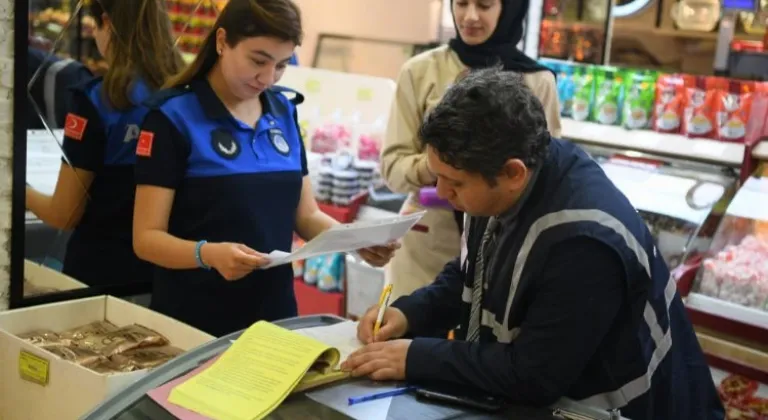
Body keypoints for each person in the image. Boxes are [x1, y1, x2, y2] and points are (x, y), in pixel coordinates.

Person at [343, 68, 724, 420]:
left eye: (454, 183)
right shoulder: (502, 177)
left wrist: (418, 357)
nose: (441, 192)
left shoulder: (585, 241)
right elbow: (472, 276)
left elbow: (536, 374)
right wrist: (410, 314)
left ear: (512, 173)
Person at [132, 0, 397, 337]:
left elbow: (307, 216)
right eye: (258, 61)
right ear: (222, 41)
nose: (268, 77)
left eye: (282, 65)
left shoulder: (283, 112)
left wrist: (358, 241)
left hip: (275, 317)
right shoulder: (172, 118)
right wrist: (208, 254)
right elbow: (146, 239)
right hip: (193, 321)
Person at [381, 0, 562, 300]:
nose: (470, 16)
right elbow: (392, 169)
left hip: (504, 248)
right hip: (426, 248)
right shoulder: (420, 71)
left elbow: (545, 175)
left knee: (482, 342)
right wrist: (445, 166)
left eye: (485, 5)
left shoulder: (537, 81)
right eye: (461, 3)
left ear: (510, 9)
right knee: (411, 334)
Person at [26, 0, 184, 287]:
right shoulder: (185, 93)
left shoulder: (99, 100)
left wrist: (15, 190)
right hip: (170, 277)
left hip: (102, 273)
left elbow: (64, 213)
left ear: (108, 23)